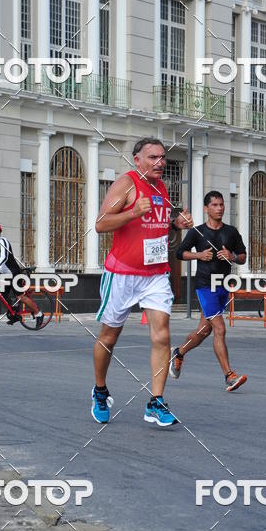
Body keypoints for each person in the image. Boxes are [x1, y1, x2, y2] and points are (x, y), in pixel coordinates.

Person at [92, 138, 193, 426]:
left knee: (162, 335)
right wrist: (133, 211)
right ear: (137, 160)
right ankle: (100, 390)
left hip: (156, 274)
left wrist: (176, 225)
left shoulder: (161, 187)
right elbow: (100, 223)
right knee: (109, 336)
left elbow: (157, 228)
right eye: (153, 157)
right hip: (122, 273)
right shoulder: (126, 183)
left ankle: (156, 402)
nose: (160, 162)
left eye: (162, 157)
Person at [169, 191, 248, 391]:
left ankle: (178, 353)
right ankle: (229, 376)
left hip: (223, 284)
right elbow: (180, 253)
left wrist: (231, 256)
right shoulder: (198, 232)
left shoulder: (231, 232)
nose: (219, 208)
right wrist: (199, 255)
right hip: (205, 285)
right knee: (219, 329)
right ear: (206, 208)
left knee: (205, 330)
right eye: (214, 205)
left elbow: (243, 257)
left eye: (221, 204)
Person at [0, 224, 43, 328]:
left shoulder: (3, 241)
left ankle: (39, 313)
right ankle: (14, 313)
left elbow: (4, 257)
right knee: (3, 295)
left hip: (14, 273)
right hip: (4, 275)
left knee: (21, 296)